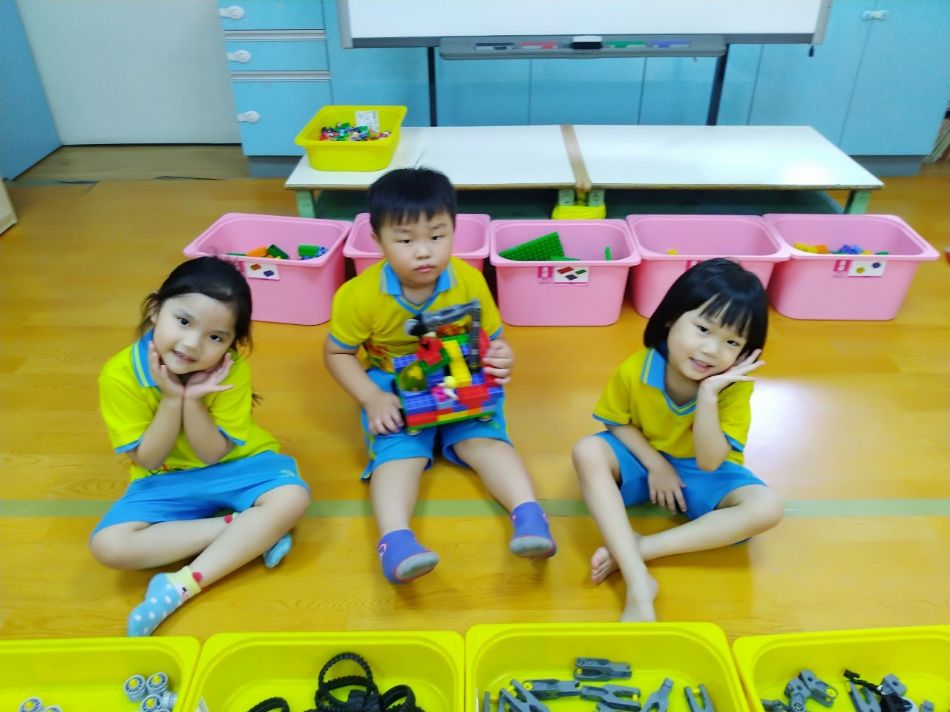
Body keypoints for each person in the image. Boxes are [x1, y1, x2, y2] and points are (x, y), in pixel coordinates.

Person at [324, 167, 556, 584]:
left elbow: (494, 340)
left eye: (437, 236)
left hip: (459, 374)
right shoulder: (357, 296)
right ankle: (396, 541)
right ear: (376, 240)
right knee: (400, 454)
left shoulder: (469, 280)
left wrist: (502, 356)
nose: (423, 252)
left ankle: (530, 516)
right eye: (405, 240)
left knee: (483, 441)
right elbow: (337, 352)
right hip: (394, 385)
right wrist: (371, 397)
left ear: (454, 230)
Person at [90, 257, 311, 636]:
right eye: (183, 321)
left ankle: (180, 586)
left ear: (232, 343)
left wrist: (192, 400)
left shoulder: (232, 368)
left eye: (216, 337)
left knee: (292, 497)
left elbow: (212, 453)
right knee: (108, 546)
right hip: (165, 477)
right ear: (155, 309)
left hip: (237, 464)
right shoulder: (119, 375)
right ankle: (245, 529)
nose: (192, 344)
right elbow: (150, 457)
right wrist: (172, 399)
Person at [572, 258, 784, 621]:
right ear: (671, 317)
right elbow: (616, 422)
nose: (712, 350)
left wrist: (708, 396)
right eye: (703, 329)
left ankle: (640, 548)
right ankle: (639, 581)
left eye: (731, 341)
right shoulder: (636, 368)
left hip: (702, 473)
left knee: (767, 507)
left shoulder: (732, 387)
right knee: (587, 450)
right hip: (646, 460)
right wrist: (656, 466)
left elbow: (710, 462)